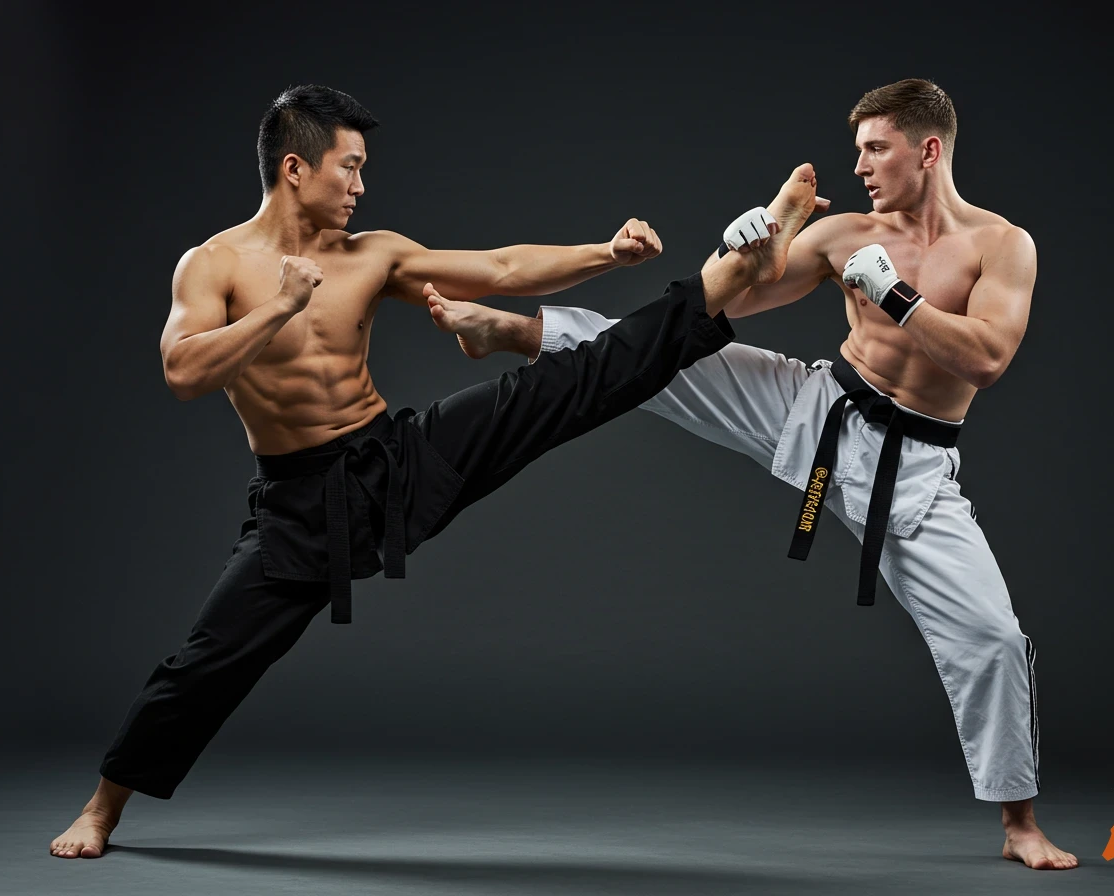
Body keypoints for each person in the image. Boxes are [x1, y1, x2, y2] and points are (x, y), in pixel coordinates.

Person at [49, 83, 826, 859]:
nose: (360, 186)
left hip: (392, 459)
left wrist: (605, 253)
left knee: (569, 385)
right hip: (300, 503)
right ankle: (101, 811)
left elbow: (501, 266)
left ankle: (731, 275)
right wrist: (279, 307)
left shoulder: (372, 253)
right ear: (294, 168)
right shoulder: (213, 264)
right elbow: (184, 372)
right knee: (209, 660)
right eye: (349, 167)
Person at [434, 79, 1079, 871]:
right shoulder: (844, 234)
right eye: (858, 150)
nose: (861, 166)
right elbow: (727, 303)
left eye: (876, 149)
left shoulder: (1000, 245)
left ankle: (1019, 824)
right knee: (665, 353)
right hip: (817, 406)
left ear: (928, 150)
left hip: (910, 466)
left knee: (992, 638)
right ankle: (508, 330)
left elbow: (987, 359)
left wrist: (896, 295)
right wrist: (749, 243)